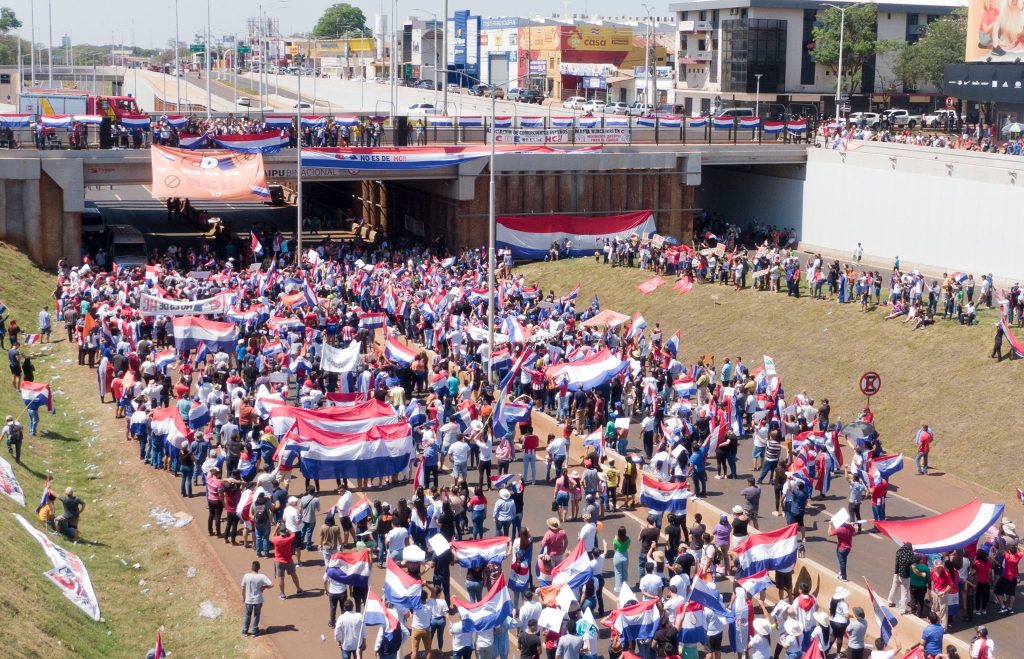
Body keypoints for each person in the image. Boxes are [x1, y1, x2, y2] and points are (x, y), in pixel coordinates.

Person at [269, 524, 303, 600]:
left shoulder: (276, 539)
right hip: (289, 560)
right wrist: (287, 528)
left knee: (281, 578)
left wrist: (276, 527)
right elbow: (293, 533)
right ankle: (299, 589)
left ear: (280, 532)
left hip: (279, 561)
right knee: (293, 574)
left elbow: (271, 537)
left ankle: (283, 594)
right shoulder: (289, 538)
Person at [241, 560, 273, 637]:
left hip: (248, 600)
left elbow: (243, 588)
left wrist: (243, 597)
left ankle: (245, 631)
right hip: (258, 600)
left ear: (251, 567)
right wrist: (264, 587)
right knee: (257, 615)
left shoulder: (246, 576)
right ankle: (255, 631)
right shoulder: (262, 576)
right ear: (259, 568)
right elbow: (271, 584)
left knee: (247, 615)